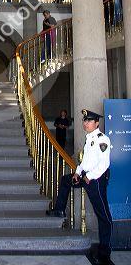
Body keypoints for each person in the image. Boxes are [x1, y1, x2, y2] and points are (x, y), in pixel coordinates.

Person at [47, 109, 113, 265]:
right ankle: (59, 209)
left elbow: (104, 164)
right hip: (85, 176)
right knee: (65, 180)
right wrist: (77, 172)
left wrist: (88, 177)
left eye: (89, 121)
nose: (85, 123)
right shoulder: (88, 138)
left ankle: (104, 253)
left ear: (97, 123)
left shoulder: (102, 139)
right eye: (84, 121)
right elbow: (85, 161)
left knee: (104, 217)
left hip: (95, 180)